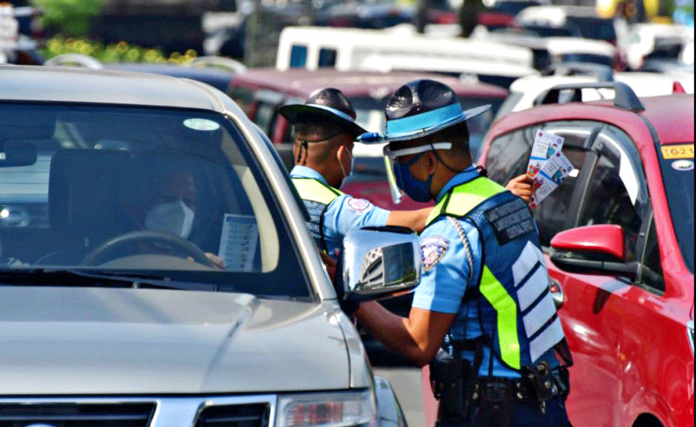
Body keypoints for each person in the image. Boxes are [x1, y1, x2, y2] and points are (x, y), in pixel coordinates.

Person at [351, 79, 573, 426]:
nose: (397, 171)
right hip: (545, 404)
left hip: (493, 410)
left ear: (428, 162)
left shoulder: (450, 229)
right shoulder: (504, 200)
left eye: (400, 159)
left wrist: (355, 298)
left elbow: (418, 342)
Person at [278, 88, 433, 259]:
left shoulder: (273, 187)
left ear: (296, 149)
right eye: (351, 151)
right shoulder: (335, 208)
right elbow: (417, 221)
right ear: (342, 154)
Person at [123, 165, 226, 269]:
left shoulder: (197, 265)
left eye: (188, 200)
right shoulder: (111, 260)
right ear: (138, 207)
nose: (180, 208)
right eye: (168, 197)